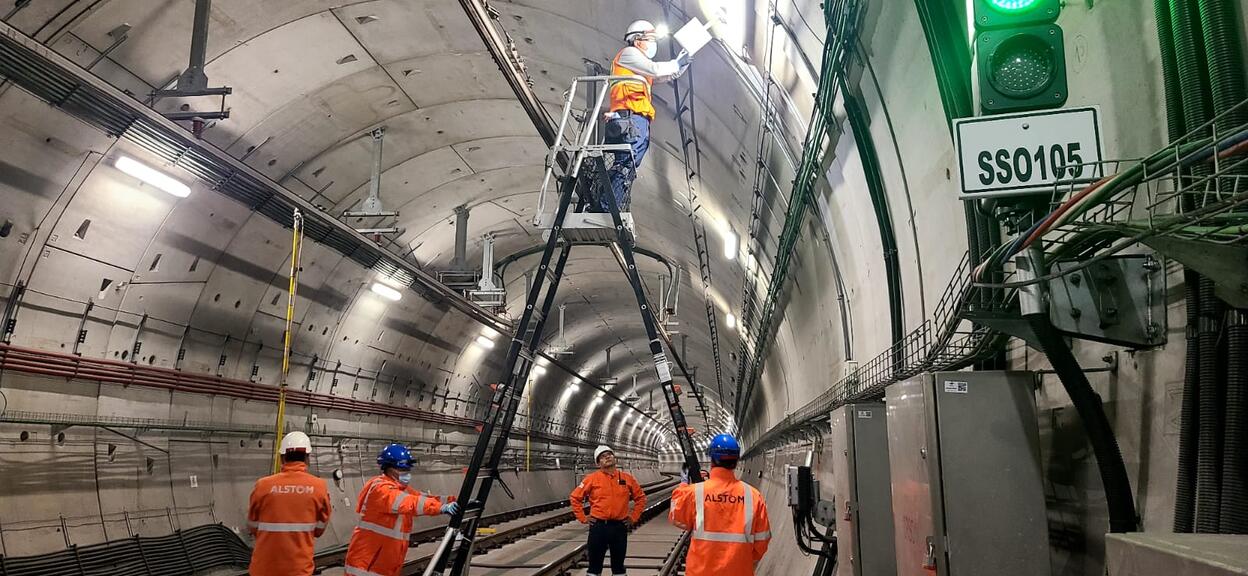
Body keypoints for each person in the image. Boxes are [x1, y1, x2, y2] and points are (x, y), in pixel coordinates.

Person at [595, 19, 692, 214]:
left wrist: (681, 65)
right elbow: (656, 70)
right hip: (629, 117)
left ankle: (607, 203)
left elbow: (663, 75)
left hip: (635, 119)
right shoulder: (629, 54)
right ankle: (606, 205)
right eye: (651, 39)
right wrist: (675, 63)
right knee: (625, 163)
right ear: (637, 39)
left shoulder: (638, 66)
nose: (653, 44)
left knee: (628, 164)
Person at [343, 444, 460, 576]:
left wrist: (454, 501)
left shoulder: (398, 488)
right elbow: (410, 503)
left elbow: (422, 498)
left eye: (407, 469)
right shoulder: (380, 488)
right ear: (389, 468)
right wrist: (441, 508)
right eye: (402, 469)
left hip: (384, 563)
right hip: (367, 566)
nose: (407, 473)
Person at [669, 434, 771, 576]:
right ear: (736, 460)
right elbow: (762, 541)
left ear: (712, 460)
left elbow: (676, 516)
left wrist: (683, 484)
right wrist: (742, 560)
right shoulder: (753, 496)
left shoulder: (695, 492)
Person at [247, 431, 333, 576]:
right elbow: (319, 529)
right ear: (307, 458)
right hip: (298, 570)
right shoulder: (319, 486)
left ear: (282, 458)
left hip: (263, 569)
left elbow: (252, 526)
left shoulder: (263, 485)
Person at [570, 445, 647, 576]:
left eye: (609, 454)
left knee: (618, 567)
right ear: (598, 462)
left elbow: (641, 498)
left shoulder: (627, 478)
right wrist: (583, 517)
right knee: (594, 567)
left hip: (619, 527)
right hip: (599, 527)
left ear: (614, 457)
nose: (607, 457)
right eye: (603, 456)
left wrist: (633, 517)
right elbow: (575, 497)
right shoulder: (591, 479)